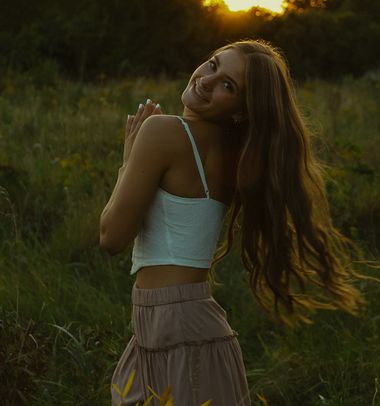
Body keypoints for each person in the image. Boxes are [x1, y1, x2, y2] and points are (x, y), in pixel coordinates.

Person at [100, 39, 363, 405]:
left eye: (228, 85)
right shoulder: (235, 156)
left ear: (242, 110)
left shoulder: (161, 131)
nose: (207, 79)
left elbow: (111, 237)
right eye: (212, 64)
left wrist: (127, 162)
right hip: (178, 327)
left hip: (177, 330)